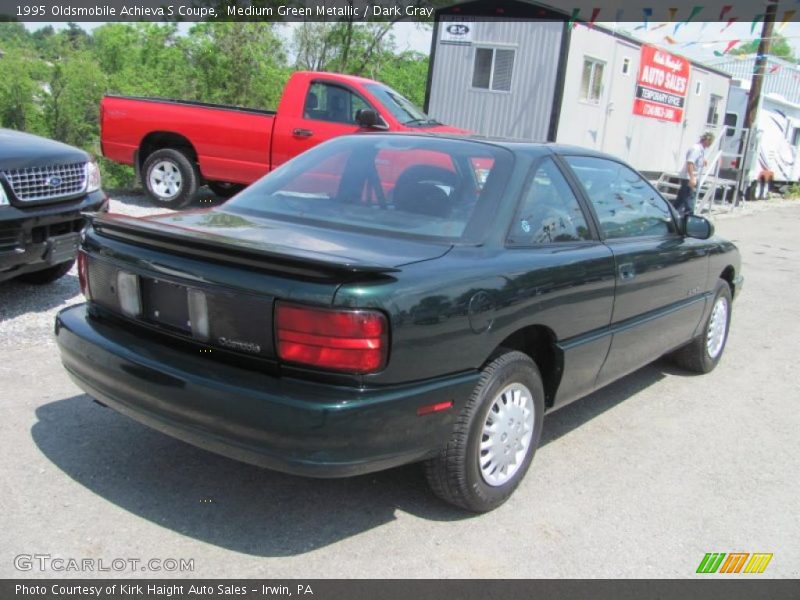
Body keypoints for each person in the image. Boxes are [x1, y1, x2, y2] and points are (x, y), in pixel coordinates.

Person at [673, 132, 714, 216]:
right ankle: (689, 217)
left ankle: (672, 214)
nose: (711, 144)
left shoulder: (701, 150)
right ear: (706, 140)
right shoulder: (696, 149)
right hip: (689, 177)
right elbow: (690, 163)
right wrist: (692, 178)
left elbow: (695, 161)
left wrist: (703, 160)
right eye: (710, 141)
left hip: (690, 177)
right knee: (690, 198)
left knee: (681, 199)